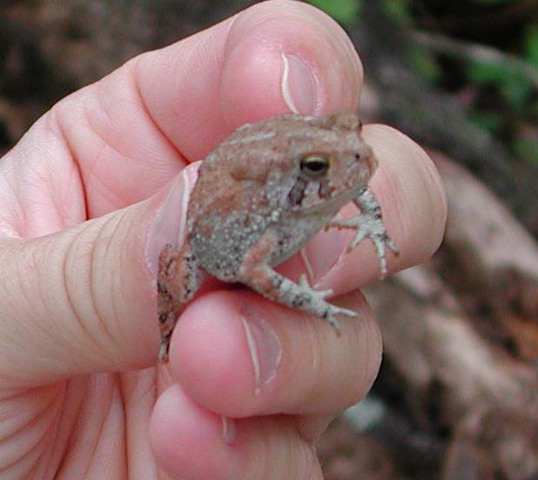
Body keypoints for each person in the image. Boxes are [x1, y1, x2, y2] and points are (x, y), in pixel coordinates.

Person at [0, 1, 446, 478]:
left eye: (351, 133)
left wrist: (372, 222)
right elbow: (254, 269)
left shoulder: (322, 182)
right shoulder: (272, 207)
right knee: (184, 287)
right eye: (318, 166)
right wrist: (311, 303)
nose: (356, 157)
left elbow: (357, 177)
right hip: (210, 240)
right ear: (294, 176)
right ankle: (169, 332)